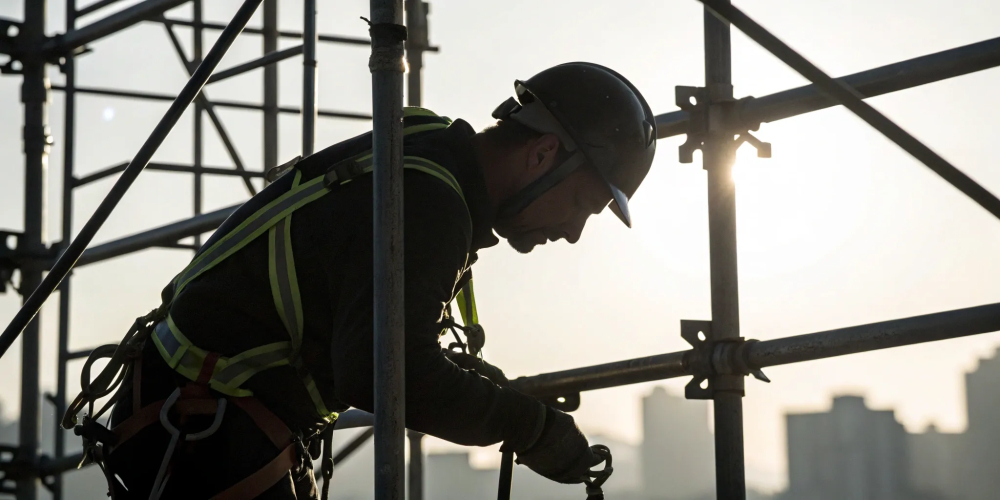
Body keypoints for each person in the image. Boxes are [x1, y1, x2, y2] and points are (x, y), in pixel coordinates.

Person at [69, 62, 656, 499]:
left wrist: (496, 396)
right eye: (586, 203)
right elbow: (387, 373)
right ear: (544, 154)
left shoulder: (425, 157)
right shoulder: (430, 202)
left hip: (200, 416)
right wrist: (527, 426)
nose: (576, 232)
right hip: (209, 431)